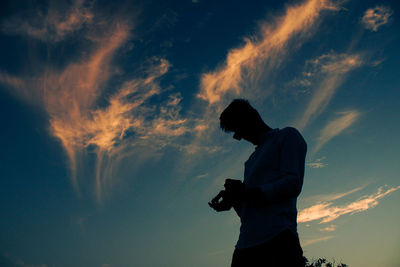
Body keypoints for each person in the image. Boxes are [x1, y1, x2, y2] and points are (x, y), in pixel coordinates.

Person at [208, 99, 307, 267]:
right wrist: (234, 200)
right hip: (244, 248)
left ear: (252, 117)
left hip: (278, 240)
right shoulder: (251, 161)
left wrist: (245, 192)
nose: (238, 137)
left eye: (237, 129)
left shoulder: (287, 136)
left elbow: (292, 184)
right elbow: (250, 213)